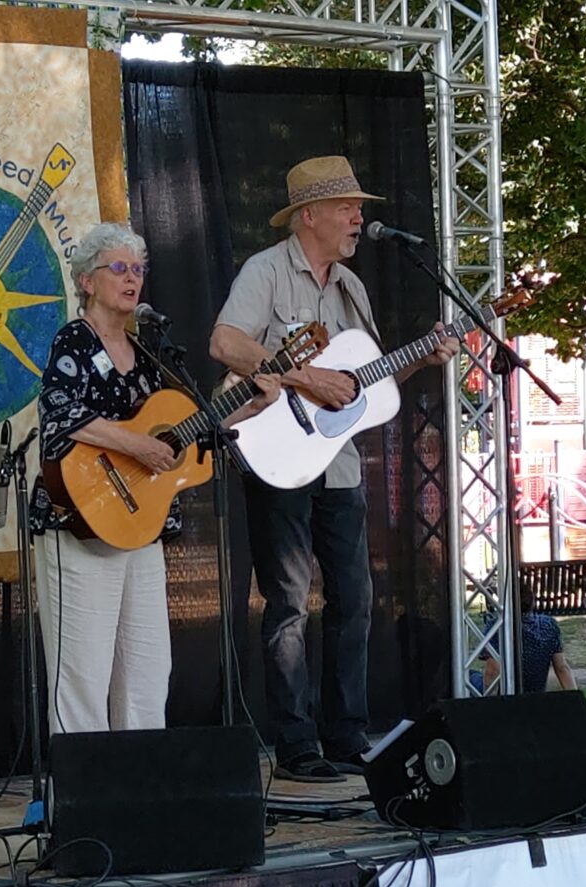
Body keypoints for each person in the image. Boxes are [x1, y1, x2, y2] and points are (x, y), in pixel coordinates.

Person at [210, 156, 459, 783]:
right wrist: (303, 375)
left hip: (337, 463)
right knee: (290, 601)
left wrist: (424, 357)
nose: (359, 217)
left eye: (360, 207)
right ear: (308, 216)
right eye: (348, 207)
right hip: (274, 452)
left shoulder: (351, 287)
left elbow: (362, 381)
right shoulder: (265, 270)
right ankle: (296, 744)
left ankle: (346, 736)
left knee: (356, 598)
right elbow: (226, 343)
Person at [31, 222, 279, 735]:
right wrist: (135, 444)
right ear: (87, 281)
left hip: (139, 529)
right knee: (83, 672)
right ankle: (85, 799)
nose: (132, 278)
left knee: (147, 671)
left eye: (138, 269)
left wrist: (248, 405)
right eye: (118, 268)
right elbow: (59, 413)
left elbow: (183, 436)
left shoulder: (147, 356)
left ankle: (139, 794)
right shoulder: (73, 340)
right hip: (78, 520)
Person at [482, 582, 578, 693]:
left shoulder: (496, 626)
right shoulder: (548, 625)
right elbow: (561, 667)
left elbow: (492, 671)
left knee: (472, 676)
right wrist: (575, 696)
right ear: (532, 601)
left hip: (506, 694)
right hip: (535, 694)